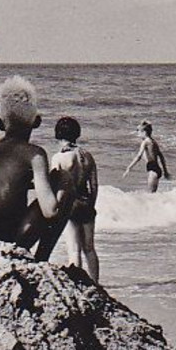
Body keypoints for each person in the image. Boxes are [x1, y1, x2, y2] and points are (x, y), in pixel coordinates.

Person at [0, 77, 73, 261]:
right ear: (37, 122)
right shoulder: (34, 154)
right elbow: (50, 211)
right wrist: (59, 183)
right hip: (6, 241)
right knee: (64, 179)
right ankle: (42, 258)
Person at [51, 116, 99, 282]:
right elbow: (94, 185)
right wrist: (91, 205)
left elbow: (55, 185)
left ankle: (78, 283)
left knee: (74, 249)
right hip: (86, 203)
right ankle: (95, 283)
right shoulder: (87, 156)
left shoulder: (59, 158)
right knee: (90, 249)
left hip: (70, 205)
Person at [124, 121, 170, 192]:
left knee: (151, 193)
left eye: (138, 131)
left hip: (152, 169)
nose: (137, 133)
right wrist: (165, 171)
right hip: (157, 168)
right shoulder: (153, 142)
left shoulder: (145, 142)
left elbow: (139, 156)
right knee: (153, 193)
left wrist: (129, 168)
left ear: (144, 132)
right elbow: (161, 156)